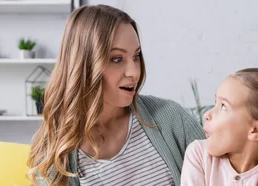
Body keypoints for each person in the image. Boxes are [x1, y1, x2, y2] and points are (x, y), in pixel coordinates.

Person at [27, 4, 205, 186]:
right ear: (84, 65)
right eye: (117, 59)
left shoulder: (171, 119)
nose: (134, 72)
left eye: (136, 56)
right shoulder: (56, 153)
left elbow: (224, 173)